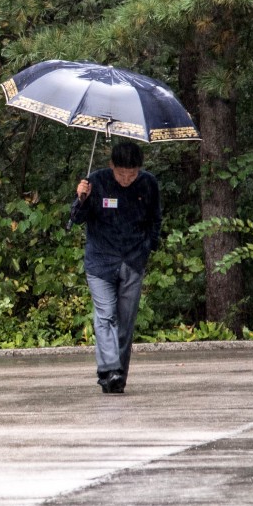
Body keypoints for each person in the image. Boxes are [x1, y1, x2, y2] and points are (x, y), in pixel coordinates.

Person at [72, 140, 161, 393]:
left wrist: (149, 248)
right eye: (121, 173)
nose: (126, 179)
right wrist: (81, 198)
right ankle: (109, 368)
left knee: (125, 321)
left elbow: (155, 219)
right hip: (100, 262)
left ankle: (117, 376)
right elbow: (76, 219)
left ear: (139, 170)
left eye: (131, 174)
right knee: (105, 315)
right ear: (112, 166)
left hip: (133, 261)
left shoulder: (148, 184)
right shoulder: (95, 182)